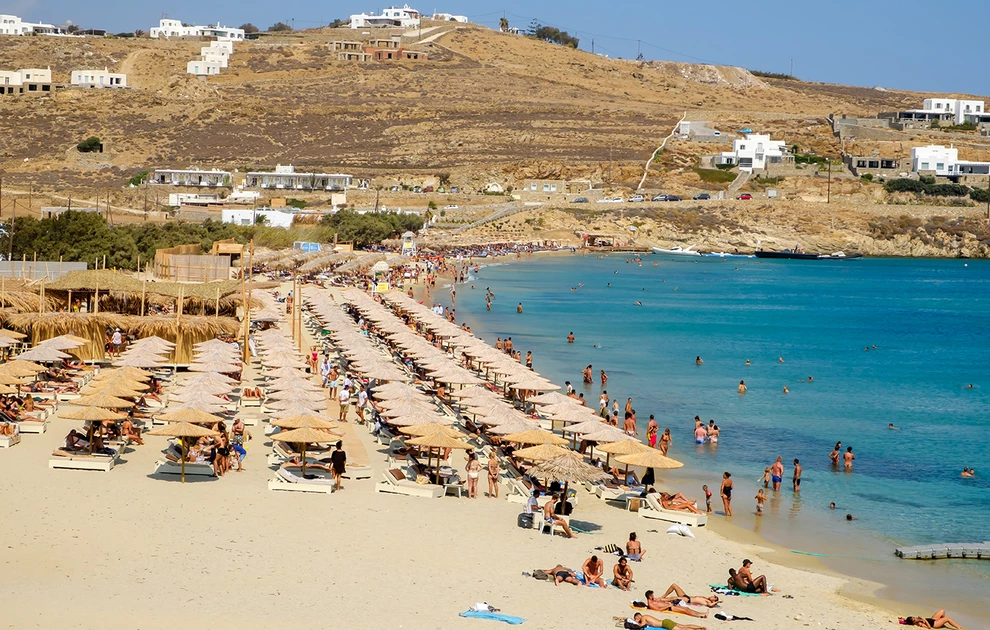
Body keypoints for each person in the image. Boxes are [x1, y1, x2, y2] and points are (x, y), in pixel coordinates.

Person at [622, 613, 706, 630]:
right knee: (684, 626)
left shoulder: (643, 617)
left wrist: (634, 622)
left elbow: (641, 625)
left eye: (636, 618)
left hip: (665, 624)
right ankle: (701, 627)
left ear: (638, 616)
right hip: (665, 621)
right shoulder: (646, 616)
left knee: (682, 629)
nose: (637, 620)